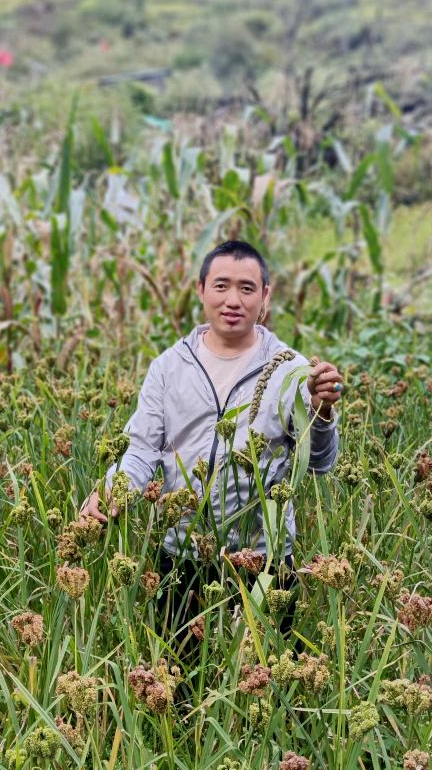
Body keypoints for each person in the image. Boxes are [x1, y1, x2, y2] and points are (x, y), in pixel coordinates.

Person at [80, 240, 342, 630]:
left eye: (246, 288)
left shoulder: (291, 370)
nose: (232, 300)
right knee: (176, 683)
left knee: (261, 683)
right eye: (221, 286)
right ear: (201, 290)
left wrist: (323, 411)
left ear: (265, 296)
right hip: (182, 553)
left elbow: (320, 463)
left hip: (263, 561)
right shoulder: (169, 367)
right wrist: (110, 491)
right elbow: (141, 449)